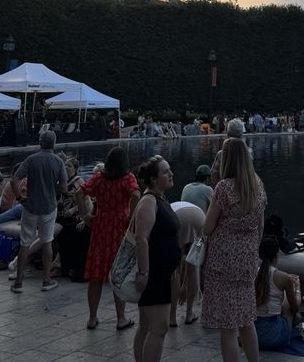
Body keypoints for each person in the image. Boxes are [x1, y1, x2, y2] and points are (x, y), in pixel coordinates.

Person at [201, 136, 267, 362]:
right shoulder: (257, 184)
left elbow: (207, 227)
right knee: (246, 319)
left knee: (227, 326)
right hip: (247, 259)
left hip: (223, 261)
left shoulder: (223, 188)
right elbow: (260, 225)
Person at [76, 145, 139, 330]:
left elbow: (80, 192)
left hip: (100, 228)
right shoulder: (128, 178)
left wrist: (85, 215)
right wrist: (131, 218)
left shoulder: (99, 178)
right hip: (119, 229)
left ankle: (92, 317)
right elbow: (136, 195)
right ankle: (121, 318)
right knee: (118, 275)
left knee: (96, 275)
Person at [132, 156, 181, 361]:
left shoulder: (158, 198)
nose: (171, 174)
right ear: (153, 179)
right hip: (154, 274)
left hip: (160, 272)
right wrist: (144, 273)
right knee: (159, 328)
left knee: (146, 326)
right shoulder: (149, 201)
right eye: (165, 172)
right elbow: (141, 238)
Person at [10, 131, 68, 294]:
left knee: (25, 243)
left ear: (40, 142)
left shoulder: (31, 159)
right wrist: (51, 191)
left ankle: (19, 282)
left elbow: (13, 179)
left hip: (30, 206)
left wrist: (20, 197)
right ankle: (46, 280)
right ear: (54, 143)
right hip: (49, 207)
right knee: (47, 242)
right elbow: (63, 187)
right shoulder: (58, 162)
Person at [254, 235, 299, 350]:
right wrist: (297, 287)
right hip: (275, 337)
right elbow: (295, 308)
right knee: (287, 306)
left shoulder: (252, 273)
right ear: (276, 255)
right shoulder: (283, 278)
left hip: (252, 336)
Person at [171, 200, 206, 326]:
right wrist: (184, 286)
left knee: (174, 268)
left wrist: (183, 286)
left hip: (176, 218)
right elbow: (190, 260)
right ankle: (189, 314)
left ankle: (172, 317)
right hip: (200, 218)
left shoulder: (169, 208)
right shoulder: (193, 206)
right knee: (193, 265)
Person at [210, 119, 250, 186]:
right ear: (241, 134)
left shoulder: (221, 154)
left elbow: (213, 174)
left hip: (224, 188)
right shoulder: (249, 153)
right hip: (245, 188)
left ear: (227, 134)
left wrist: (219, 188)